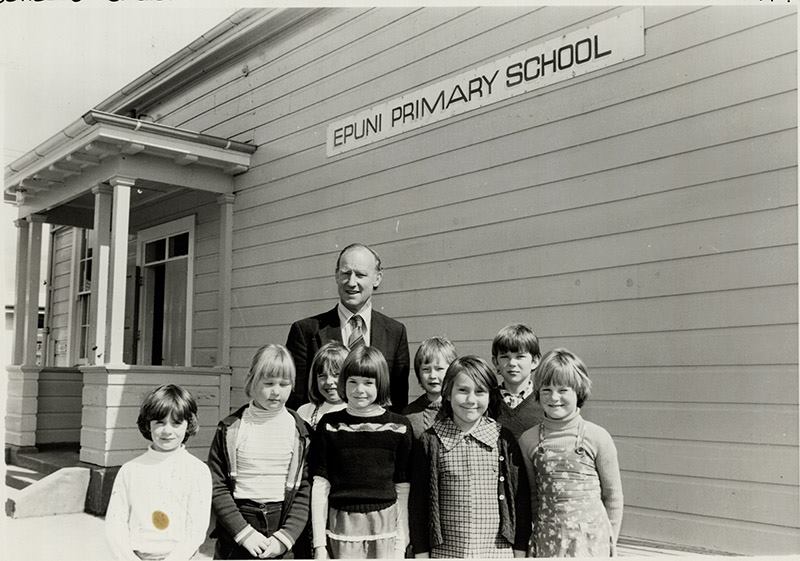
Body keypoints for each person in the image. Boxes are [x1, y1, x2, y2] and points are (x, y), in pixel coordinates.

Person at [409, 356, 531, 558]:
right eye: (463, 390)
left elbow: (520, 499)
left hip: (496, 552)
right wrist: (421, 552)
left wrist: (519, 549)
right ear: (447, 393)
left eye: (480, 391)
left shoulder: (503, 440)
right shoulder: (431, 440)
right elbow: (419, 504)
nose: (471, 400)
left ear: (491, 396)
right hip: (447, 552)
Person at [207, 344, 312, 559]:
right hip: (237, 526)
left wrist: (285, 538)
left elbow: (304, 489)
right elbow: (217, 486)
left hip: (281, 525)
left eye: (284, 384)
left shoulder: (300, 432)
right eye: (269, 383)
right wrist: (243, 534)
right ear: (252, 381)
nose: (276, 391)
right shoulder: (231, 428)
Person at [309, 346, 413, 559]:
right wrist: (320, 545)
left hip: (385, 528)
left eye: (368, 383)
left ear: (380, 384)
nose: (359, 390)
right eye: (352, 382)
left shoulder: (399, 427)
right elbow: (320, 486)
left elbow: (402, 488)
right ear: (343, 383)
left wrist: (401, 544)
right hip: (341, 526)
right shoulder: (330, 425)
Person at [518, 349, 623, 557]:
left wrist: (610, 538)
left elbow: (612, 495)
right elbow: (533, 496)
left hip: (591, 542)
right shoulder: (528, 440)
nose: (554, 397)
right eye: (546, 389)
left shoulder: (597, 437)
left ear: (579, 391)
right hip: (548, 539)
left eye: (563, 390)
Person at [286, 243, 411, 411]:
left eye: (360, 275)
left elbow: (398, 400)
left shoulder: (395, 332)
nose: (351, 282)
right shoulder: (305, 332)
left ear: (377, 278)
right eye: (346, 273)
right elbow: (296, 398)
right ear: (336, 276)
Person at [105, 384, 212, 561]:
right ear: (148, 424)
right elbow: (115, 525)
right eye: (160, 422)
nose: (167, 430)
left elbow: (196, 529)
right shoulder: (130, 470)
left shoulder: (197, 471)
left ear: (189, 425)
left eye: (176, 423)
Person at [488, 323, 544, 440]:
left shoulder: (544, 401)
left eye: (520, 357)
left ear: (534, 361)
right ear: (496, 362)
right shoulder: (487, 402)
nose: (512, 363)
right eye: (505, 357)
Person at [401, 337, 457, 440]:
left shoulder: (460, 408)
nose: (432, 375)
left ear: (452, 370)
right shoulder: (409, 415)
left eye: (439, 369)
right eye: (426, 369)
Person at [297, 342, 349, 430]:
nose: (329, 381)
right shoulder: (305, 412)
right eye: (322, 376)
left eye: (336, 374)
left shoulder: (357, 411)